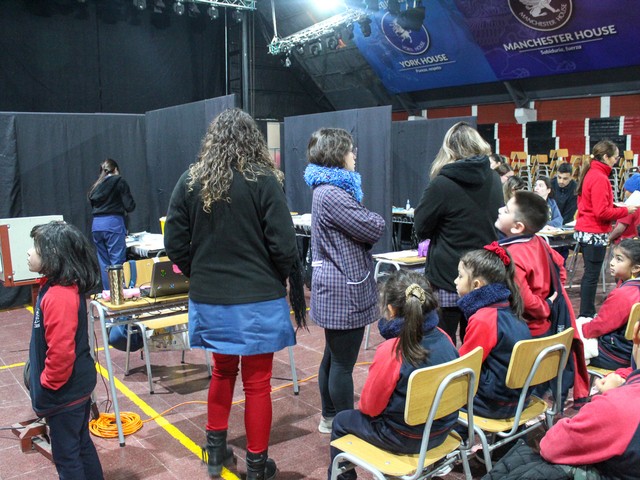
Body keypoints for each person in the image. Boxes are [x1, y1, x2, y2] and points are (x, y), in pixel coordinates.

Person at [164, 108, 306, 480]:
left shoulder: (190, 180)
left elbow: (174, 242)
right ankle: (256, 467)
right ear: (252, 140)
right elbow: (284, 245)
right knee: (257, 384)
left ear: (212, 141)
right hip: (258, 300)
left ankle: (215, 454)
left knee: (222, 373)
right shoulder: (264, 179)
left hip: (211, 300)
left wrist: (200, 273)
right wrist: (272, 277)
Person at [328, 271, 459, 480]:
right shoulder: (445, 338)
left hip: (404, 438)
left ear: (391, 309)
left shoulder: (393, 350)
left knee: (341, 421)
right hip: (443, 430)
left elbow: (369, 407)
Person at [482, 316, 640, 480]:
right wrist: (625, 378)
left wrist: (611, 394)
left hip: (498, 405)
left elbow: (551, 447)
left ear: (636, 331)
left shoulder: (617, 407)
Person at [303, 128, 385, 435]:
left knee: (333, 357)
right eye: (351, 150)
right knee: (342, 364)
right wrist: (374, 219)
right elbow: (373, 226)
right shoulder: (333, 194)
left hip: (336, 286)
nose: (354, 155)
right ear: (337, 154)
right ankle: (346, 427)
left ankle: (330, 418)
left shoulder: (325, 190)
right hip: (343, 290)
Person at [414, 122, 503, 344]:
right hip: (483, 273)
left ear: (450, 149)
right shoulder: (494, 178)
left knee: (443, 341)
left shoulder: (442, 184)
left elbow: (421, 227)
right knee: (478, 342)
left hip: (448, 276)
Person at [27, 221, 104, 479]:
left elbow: (61, 351)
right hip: (73, 389)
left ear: (53, 255)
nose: (29, 252)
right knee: (80, 445)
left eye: (36, 247)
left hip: (64, 392)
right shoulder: (57, 287)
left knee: (67, 456)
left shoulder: (59, 295)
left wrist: (49, 383)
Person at [496, 191, 590, 402]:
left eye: (507, 210)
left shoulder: (513, 254)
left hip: (528, 330)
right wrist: (551, 295)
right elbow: (560, 268)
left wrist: (544, 305)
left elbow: (525, 299)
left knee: (520, 385)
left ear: (517, 227)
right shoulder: (538, 240)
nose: (500, 210)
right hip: (544, 325)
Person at [455, 244, 531, 419]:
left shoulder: (484, 318)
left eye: (460, 276)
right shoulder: (508, 308)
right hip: (518, 398)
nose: (455, 281)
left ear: (476, 285)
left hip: (495, 404)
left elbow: (464, 366)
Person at [574, 140, 637, 318]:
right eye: (615, 158)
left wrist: (616, 206)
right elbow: (601, 212)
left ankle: (586, 312)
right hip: (594, 232)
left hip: (587, 231)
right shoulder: (599, 178)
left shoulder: (592, 173)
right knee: (591, 275)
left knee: (590, 274)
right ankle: (586, 313)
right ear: (605, 157)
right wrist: (625, 210)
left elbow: (595, 205)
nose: (616, 161)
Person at [578, 239, 640, 369]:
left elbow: (600, 326)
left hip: (615, 355)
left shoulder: (624, 294)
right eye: (613, 257)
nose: (611, 263)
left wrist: (581, 329)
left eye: (619, 259)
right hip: (632, 352)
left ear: (636, 268)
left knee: (567, 339)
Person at [88, 158, 136, 290]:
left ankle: (108, 293)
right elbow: (129, 206)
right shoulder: (119, 181)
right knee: (117, 261)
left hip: (97, 225)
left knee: (104, 262)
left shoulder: (96, 186)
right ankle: (118, 294)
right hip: (113, 224)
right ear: (115, 169)